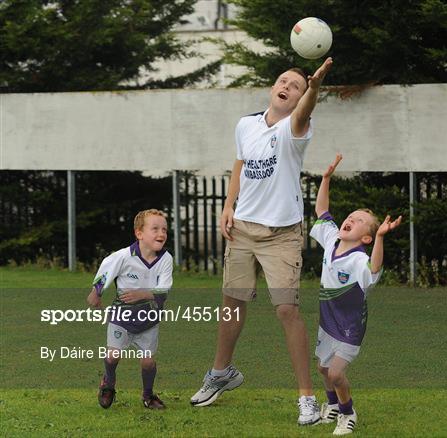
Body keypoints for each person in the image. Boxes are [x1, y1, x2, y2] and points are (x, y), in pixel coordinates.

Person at [190, 57, 333, 425]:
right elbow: (239, 165)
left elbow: (304, 113)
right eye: (282, 81)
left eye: (296, 86)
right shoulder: (246, 125)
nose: (287, 86)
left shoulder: (295, 129)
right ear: (273, 88)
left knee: (286, 310)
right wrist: (227, 205)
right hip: (242, 230)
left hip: (281, 235)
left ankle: (306, 399)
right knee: (232, 305)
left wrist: (313, 89)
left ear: (300, 98)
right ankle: (221, 373)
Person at [310, 154, 401, 435]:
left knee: (336, 373)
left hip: (350, 326)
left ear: (366, 238)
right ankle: (333, 405)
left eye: (359, 220)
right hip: (328, 322)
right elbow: (322, 212)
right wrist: (325, 179)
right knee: (323, 370)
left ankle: (348, 414)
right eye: (351, 216)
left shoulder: (360, 259)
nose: (351, 218)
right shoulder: (332, 238)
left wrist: (382, 238)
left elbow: (374, 269)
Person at [87, 209, 173, 410]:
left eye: (164, 230)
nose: (161, 234)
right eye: (155, 229)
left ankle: (148, 396)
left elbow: (165, 289)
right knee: (112, 356)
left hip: (149, 319)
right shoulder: (124, 256)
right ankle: (108, 384)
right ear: (139, 233)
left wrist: (142, 294)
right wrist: (96, 292)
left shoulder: (166, 259)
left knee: (148, 362)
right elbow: (106, 270)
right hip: (121, 317)